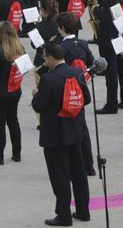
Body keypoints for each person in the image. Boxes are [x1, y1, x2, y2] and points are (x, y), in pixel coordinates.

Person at [31, 42, 91, 226]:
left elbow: (39, 106)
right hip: (75, 131)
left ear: (50, 57)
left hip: (55, 135)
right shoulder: (76, 72)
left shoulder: (49, 79)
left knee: (60, 177)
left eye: (44, 57)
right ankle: (83, 210)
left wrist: (35, 94)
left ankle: (63, 215)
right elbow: (86, 99)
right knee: (78, 174)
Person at [0, 21, 24, 163]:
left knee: (1, 123)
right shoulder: (20, 49)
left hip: (1, 92)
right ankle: (17, 153)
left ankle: (0, 157)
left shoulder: (1, 52)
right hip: (15, 91)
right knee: (13, 121)